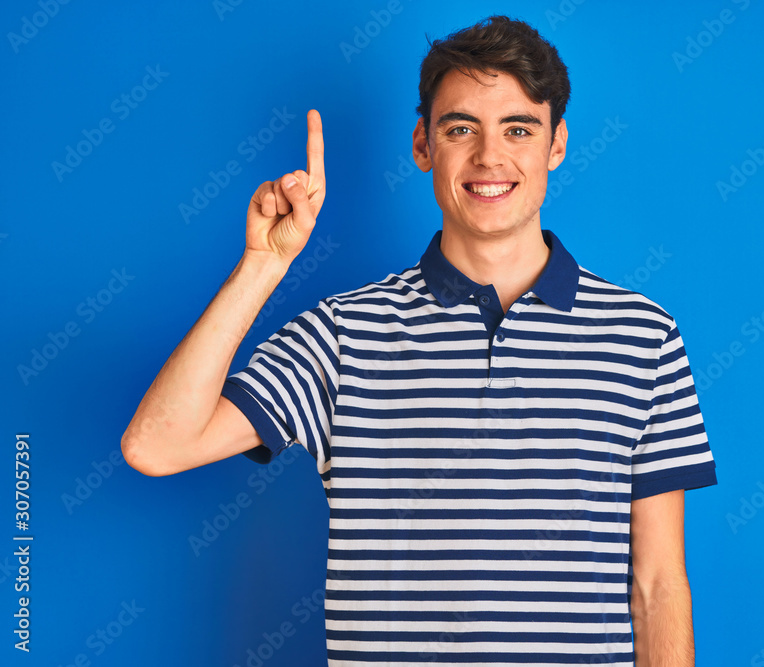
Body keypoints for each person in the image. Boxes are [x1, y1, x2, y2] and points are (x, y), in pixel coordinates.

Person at [122, 14, 716, 667]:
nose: (490, 156)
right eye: (462, 127)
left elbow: (658, 585)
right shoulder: (342, 334)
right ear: (422, 144)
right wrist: (262, 265)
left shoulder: (642, 335)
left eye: (518, 128)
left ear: (557, 144)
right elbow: (157, 445)